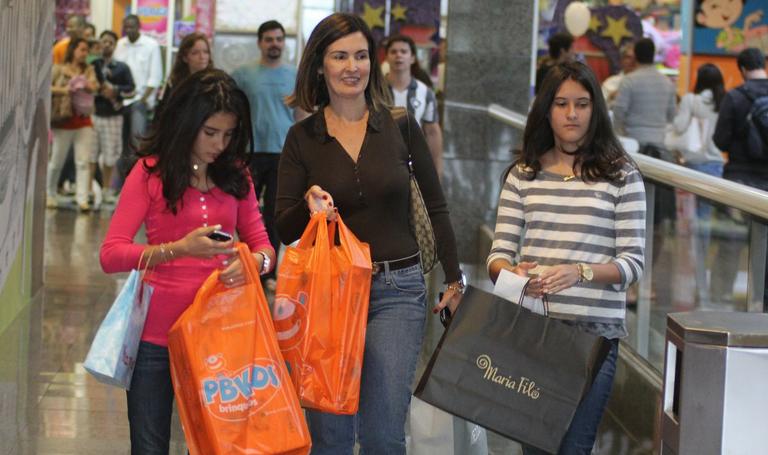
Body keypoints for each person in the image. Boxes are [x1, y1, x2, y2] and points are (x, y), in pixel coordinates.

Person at [275, 13, 463, 454]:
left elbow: (436, 207)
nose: (351, 66)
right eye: (339, 56)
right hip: (328, 295)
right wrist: (308, 206)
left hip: (398, 290)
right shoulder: (303, 138)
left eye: (360, 55)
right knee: (333, 437)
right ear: (319, 65)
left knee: (382, 434)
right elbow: (283, 225)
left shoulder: (398, 125)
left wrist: (455, 280)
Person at [100, 69, 275, 454]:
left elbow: (265, 248)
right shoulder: (149, 173)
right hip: (155, 339)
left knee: (223, 445)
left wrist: (252, 263)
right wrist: (178, 249)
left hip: (222, 336)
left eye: (228, 135)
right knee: (149, 447)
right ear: (186, 123)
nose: (219, 144)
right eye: (210, 132)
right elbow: (111, 255)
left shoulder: (237, 175)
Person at [487, 61, 646, 454]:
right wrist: (512, 271)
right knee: (535, 447)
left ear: (596, 110)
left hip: (594, 338)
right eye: (561, 103)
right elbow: (497, 256)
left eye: (582, 103)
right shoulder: (523, 174)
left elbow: (633, 264)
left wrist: (582, 272)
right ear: (546, 109)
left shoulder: (621, 175)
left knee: (574, 446)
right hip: (534, 331)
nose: (572, 114)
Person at [232, 20, 305, 290]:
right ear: (260, 43)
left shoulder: (294, 76)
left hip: (282, 155)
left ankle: (268, 272)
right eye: (269, 39)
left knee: (274, 215)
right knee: (244, 213)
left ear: (283, 43)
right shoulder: (242, 75)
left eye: (278, 39)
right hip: (248, 153)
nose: (274, 43)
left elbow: (301, 117)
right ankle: (243, 265)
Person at [711, 47, 768, 305]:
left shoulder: (734, 97)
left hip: (738, 182)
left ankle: (720, 297)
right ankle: (760, 301)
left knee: (729, 244)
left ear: (742, 69)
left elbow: (720, 140)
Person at [48, 37, 98, 211]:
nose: (85, 54)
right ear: (73, 50)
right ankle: (50, 194)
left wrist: (79, 80)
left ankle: (82, 199)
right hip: (63, 121)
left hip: (84, 121)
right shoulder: (58, 69)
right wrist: (65, 90)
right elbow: (47, 87)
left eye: (86, 50)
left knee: (83, 161)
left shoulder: (89, 69)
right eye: (82, 49)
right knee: (56, 161)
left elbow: (94, 87)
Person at [385, 34, 444, 176]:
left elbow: (432, 132)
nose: (398, 55)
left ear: (412, 58)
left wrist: (437, 171)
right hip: (379, 161)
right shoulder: (374, 90)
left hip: (413, 166)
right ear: (387, 57)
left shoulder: (425, 92)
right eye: (393, 52)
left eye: (403, 51)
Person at [91, 30, 135, 205]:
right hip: (94, 114)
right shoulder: (93, 64)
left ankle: (107, 190)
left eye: (110, 42)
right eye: (104, 41)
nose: (106, 45)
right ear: (99, 43)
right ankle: (88, 190)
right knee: (91, 155)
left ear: (115, 45)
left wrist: (115, 90)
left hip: (114, 116)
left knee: (110, 156)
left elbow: (132, 88)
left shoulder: (122, 67)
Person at [114, 14, 163, 152]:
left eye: (132, 27)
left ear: (139, 27)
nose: (129, 30)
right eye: (126, 27)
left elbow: (155, 77)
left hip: (140, 100)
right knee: (119, 142)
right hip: (121, 100)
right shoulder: (119, 44)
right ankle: (123, 171)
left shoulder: (151, 45)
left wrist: (142, 99)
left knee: (137, 141)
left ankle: (136, 170)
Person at [155, 32, 213, 117]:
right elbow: (162, 112)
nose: (202, 56)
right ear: (185, 58)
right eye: (195, 53)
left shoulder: (215, 82)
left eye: (206, 52)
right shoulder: (174, 82)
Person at [601, 43, 637, 108]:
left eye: (636, 58)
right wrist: (611, 97)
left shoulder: (646, 84)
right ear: (621, 60)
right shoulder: (610, 83)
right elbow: (599, 109)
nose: (632, 61)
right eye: (628, 57)